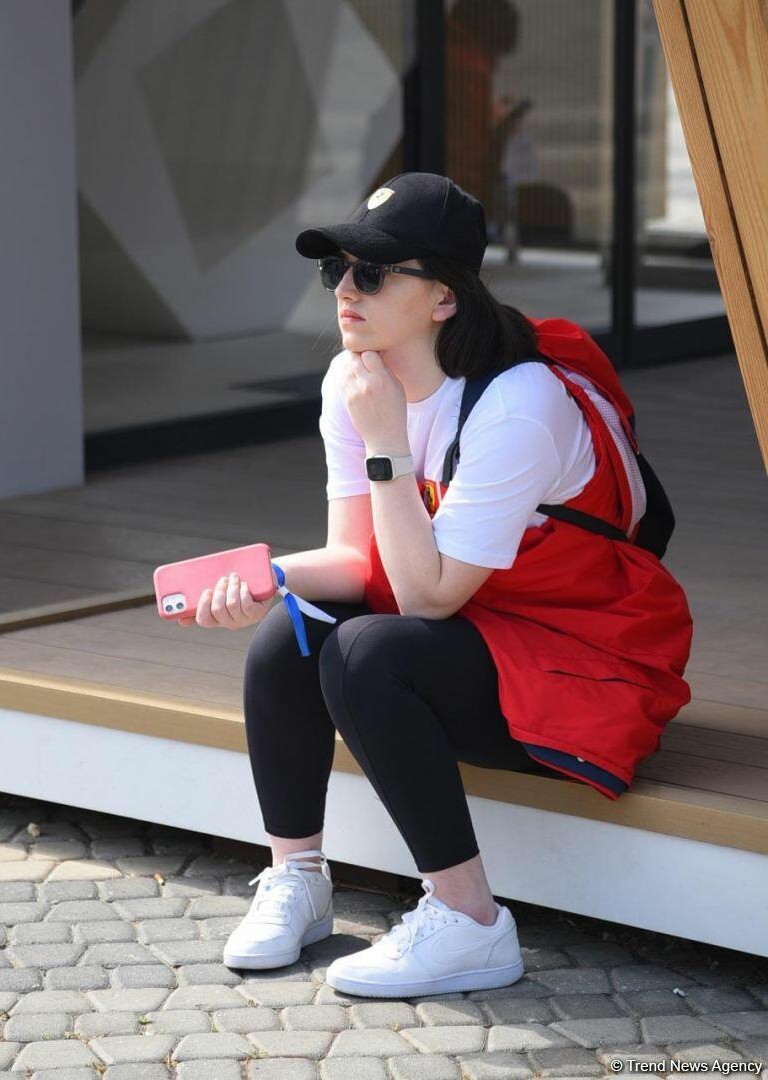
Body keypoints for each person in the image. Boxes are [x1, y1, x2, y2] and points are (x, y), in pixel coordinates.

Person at [176, 172, 693, 999]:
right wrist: (265, 579)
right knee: (293, 628)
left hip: (583, 663)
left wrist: (387, 443)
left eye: (373, 273)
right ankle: (297, 877)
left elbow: (425, 599)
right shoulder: (353, 381)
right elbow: (355, 560)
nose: (345, 290)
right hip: (481, 628)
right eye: (336, 270)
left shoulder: (517, 402)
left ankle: (468, 922)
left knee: (364, 653)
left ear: (444, 299)